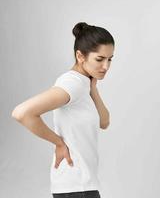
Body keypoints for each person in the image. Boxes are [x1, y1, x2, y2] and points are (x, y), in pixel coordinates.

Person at [11, 22, 115, 198]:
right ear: (80, 56)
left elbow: (104, 122)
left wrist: (93, 89)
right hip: (77, 187)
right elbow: (21, 112)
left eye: (110, 59)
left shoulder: (84, 84)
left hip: (79, 185)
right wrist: (58, 142)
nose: (106, 66)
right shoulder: (72, 84)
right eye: (99, 59)